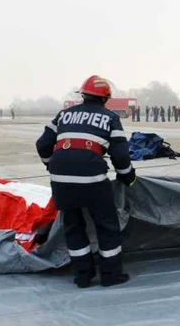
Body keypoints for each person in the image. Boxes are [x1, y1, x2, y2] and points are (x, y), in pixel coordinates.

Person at [36, 75, 136, 288]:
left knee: (73, 226)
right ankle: (110, 276)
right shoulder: (110, 118)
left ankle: (82, 276)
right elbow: (120, 155)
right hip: (92, 178)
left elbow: (43, 144)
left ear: (83, 94)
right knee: (106, 225)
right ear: (105, 98)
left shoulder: (64, 115)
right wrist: (127, 177)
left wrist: (51, 164)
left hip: (60, 178)